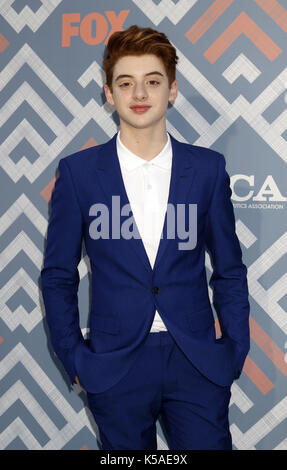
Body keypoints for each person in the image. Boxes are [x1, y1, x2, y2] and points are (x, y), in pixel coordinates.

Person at [40, 25, 250, 450]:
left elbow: (228, 269)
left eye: (152, 82)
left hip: (196, 362)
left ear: (172, 90)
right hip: (115, 366)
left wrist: (233, 349)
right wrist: (77, 360)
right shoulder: (79, 174)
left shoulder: (208, 170)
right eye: (126, 83)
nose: (139, 94)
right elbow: (58, 276)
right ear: (108, 93)